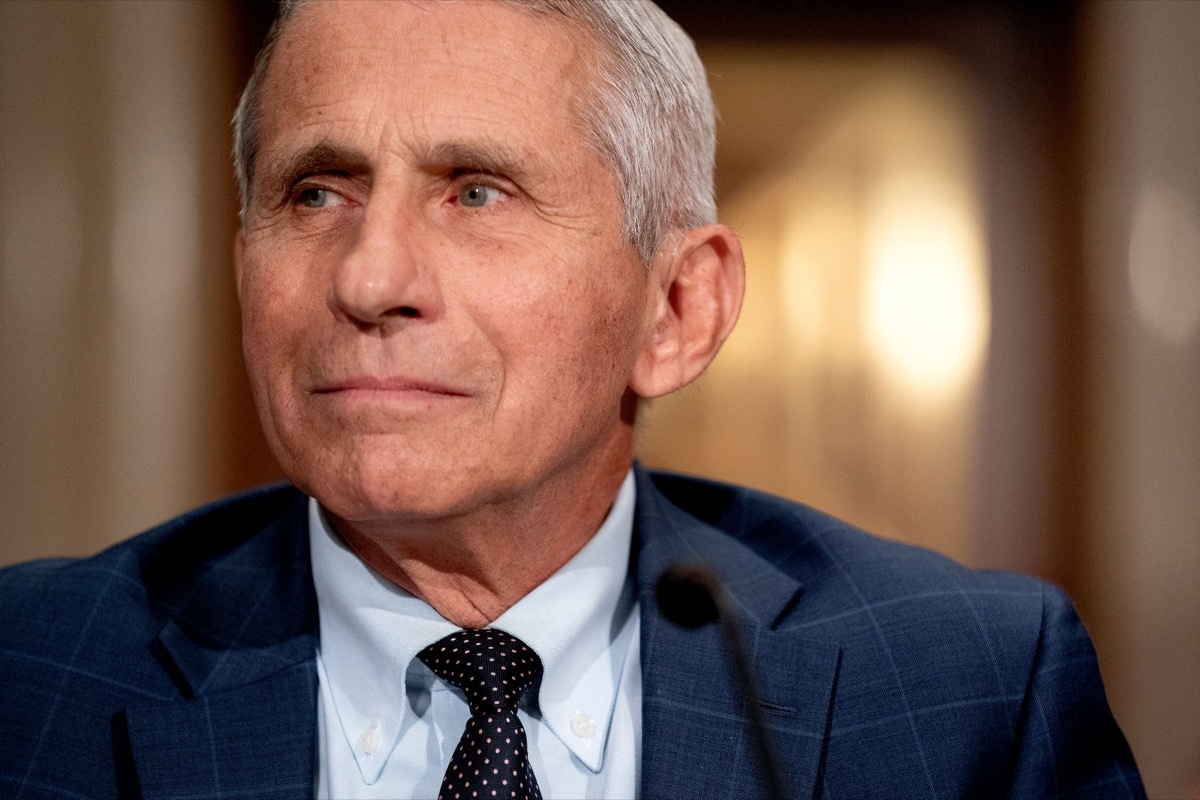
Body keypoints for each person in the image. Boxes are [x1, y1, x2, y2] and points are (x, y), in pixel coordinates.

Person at [0, 1, 1144, 798]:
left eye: (477, 192)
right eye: (315, 191)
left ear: (679, 308)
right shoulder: (30, 676)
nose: (370, 277)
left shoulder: (969, 692)